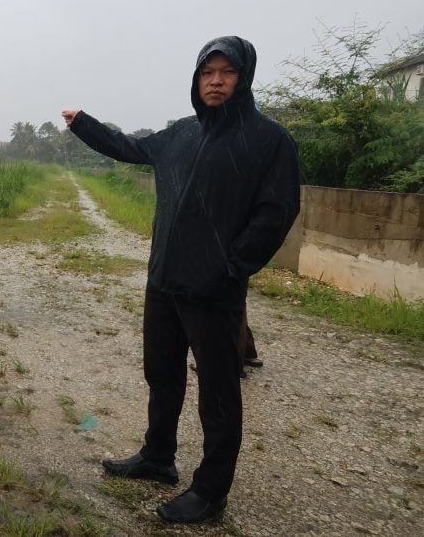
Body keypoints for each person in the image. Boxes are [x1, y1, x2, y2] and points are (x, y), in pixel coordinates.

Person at [61, 36, 300, 524]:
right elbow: (127, 147)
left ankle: (211, 491)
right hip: (164, 283)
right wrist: (83, 124)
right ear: (196, 79)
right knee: (162, 376)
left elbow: (276, 213)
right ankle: (157, 457)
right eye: (206, 72)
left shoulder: (268, 140)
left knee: (217, 393)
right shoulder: (179, 135)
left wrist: (231, 268)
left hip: (213, 292)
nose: (215, 81)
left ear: (243, 77)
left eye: (225, 72)